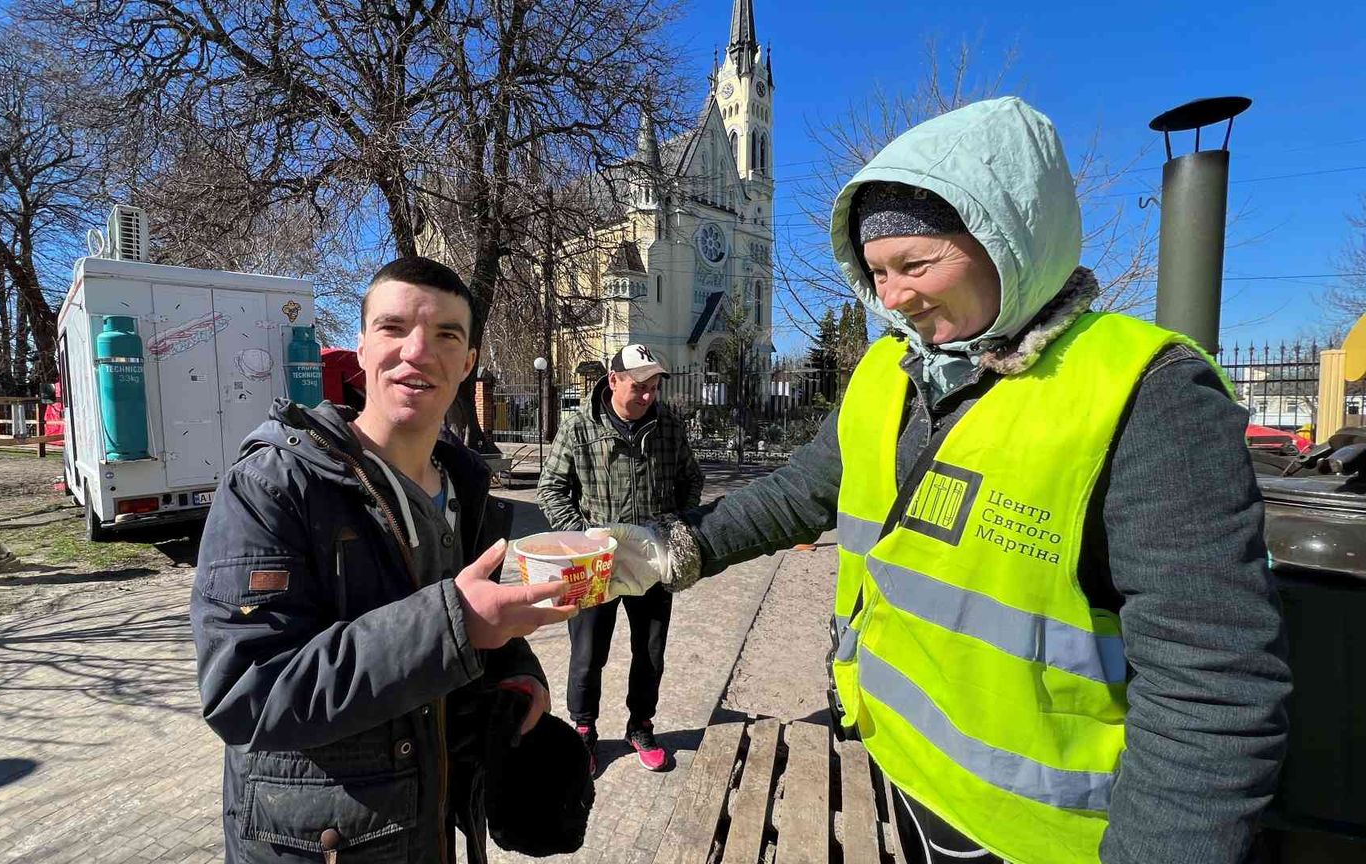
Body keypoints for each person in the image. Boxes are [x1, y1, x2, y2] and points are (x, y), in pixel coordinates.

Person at [595, 98, 1291, 864]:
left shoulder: (1148, 395)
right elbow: (798, 493)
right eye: (878, 273)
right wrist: (664, 551)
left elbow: (1211, 695)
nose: (892, 299)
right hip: (893, 777)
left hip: (1040, 839)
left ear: (1009, 241)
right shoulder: (889, 375)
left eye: (916, 265)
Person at [190, 256, 579, 864]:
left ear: (470, 361)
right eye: (394, 328)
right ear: (363, 348)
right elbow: (246, 694)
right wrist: (453, 624)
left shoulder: (465, 486)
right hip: (321, 844)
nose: (417, 351)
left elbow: (474, 624)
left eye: (447, 334)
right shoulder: (275, 484)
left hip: (430, 824)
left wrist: (517, 670)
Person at [538, 343, 704, 773]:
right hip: (596, 562)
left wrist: (676, 527)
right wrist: (581, 539)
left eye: (653, 387)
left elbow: (691, 477)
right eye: (639, 386)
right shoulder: (579, 426)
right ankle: (584, 730)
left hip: (651, 559)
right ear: (613, 380)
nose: (648, 396)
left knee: (650, 649)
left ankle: (641, 726)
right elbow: (550, 487)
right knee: (588, 650)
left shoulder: (668, 425)